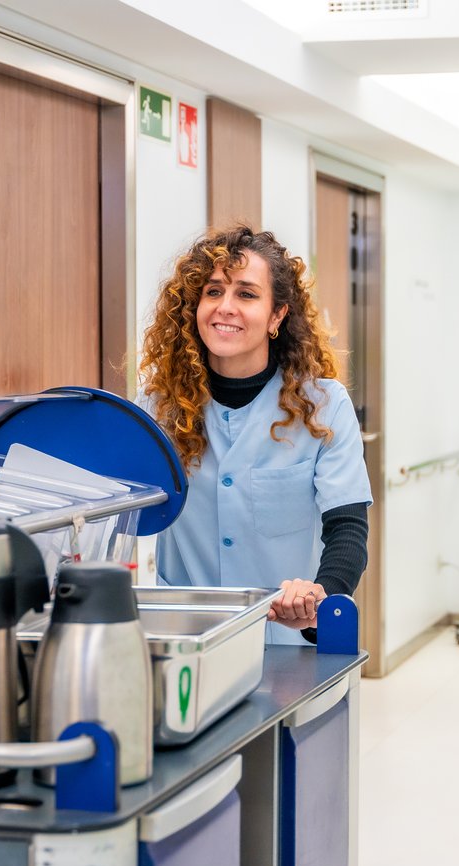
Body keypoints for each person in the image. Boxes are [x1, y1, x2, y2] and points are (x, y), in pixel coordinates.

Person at [137, 225, 371, 644]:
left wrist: (321, 596)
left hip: (285, 641)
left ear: (277, 315)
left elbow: (348, 528)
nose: (225, 307)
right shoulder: (158, 408)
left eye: (246, 294)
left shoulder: (323, 405)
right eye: (212, 292)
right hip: (188, 642)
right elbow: (121, 509)